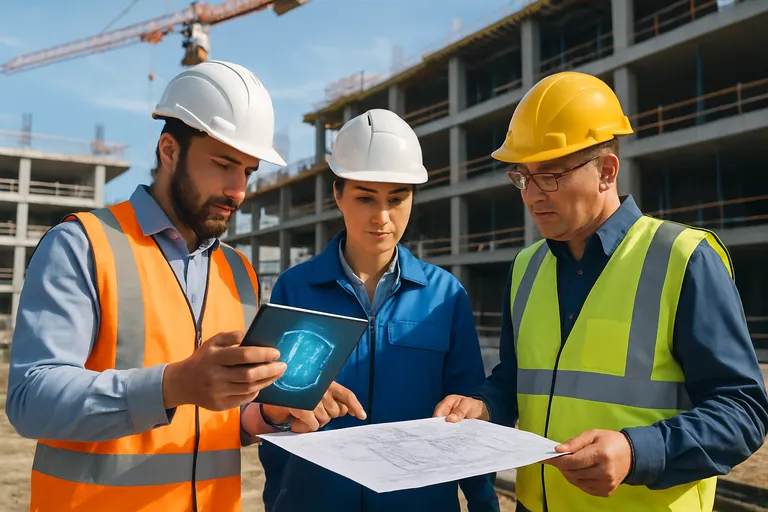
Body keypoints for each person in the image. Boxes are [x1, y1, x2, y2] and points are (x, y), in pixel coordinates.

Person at [5, 60, 359, 512]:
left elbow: (217, 421)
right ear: (169, 150)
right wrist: (171, 386)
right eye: (223, 164)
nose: (238, 190)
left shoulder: (238, 272)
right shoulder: (83, 245)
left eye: (248, 171)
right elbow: (30, 401)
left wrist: (270, 413)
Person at [433, 71, 768, 512]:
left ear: (607, 171)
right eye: (523, 177)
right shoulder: (525, 268)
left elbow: (742, 411)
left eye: (550, 176)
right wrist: (484, 405)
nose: (531, 196)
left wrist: (637, 451)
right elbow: (516, 377)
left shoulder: (683, 259)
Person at [257, 108, 500, 512]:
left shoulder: (445, 296)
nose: (382, 217)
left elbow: (468, 416)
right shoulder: (294, 289)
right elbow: (277, 418)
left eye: (397, 198)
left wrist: (483, 503)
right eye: (365, 197)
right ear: (338, 195)